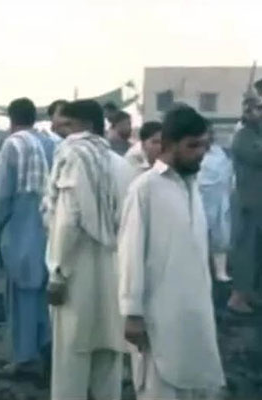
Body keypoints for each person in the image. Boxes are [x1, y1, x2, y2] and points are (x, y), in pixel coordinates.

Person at [118, 106, 225, 400]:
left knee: (195, 383)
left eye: (204, 146)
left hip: (194, 312)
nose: (200, 153)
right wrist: (132, 313)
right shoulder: (145, 189)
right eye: (192, 146)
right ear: (169, 144)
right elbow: (130, 254)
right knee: (159, 386)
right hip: (158, 315)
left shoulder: (192, 186)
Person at [43, 99, 133, 400]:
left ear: (86, 126)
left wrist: (57, 272)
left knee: (71, 357)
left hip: (77, 272)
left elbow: (68, 222)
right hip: (114, 270)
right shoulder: (121, 164)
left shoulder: (72, 157)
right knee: (109, 354)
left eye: (68, 124)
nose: (62, 131)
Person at [0, 97, 55, 373]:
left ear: (11, 120)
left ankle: (25, 358)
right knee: (45, 291)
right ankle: (47, 346)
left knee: (21, 293)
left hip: (22, 229)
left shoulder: (13, 145)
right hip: (51, 228)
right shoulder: (52, 143)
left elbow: (0, 197)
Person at [227, 95, 262, 314]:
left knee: (257, 253)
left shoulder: (256, 134)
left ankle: (251, 294)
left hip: (258, 205)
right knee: (245, 252)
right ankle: (237, 297)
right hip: (247, 204)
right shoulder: (242, 136)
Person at [198, 127, 234, 282]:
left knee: (221, 236)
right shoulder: (193, 154)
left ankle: (221, 271)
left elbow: (228, 173)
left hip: (220, 199)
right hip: (200, 200)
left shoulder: (220, 153)